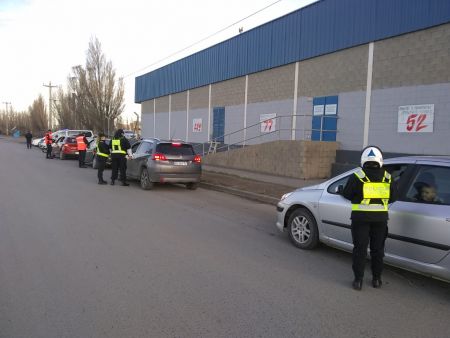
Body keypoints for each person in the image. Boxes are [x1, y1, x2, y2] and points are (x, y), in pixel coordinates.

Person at [342, 146, 397, 290]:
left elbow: (347, 194)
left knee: (360, 249)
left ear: (363, 159)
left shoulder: (357, 176)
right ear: (380, 159)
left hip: (360, 220)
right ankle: (377, 279)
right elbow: (393, 198)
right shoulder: (388, 177)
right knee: (377, 250)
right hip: (380, 220)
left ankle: (358, 280)